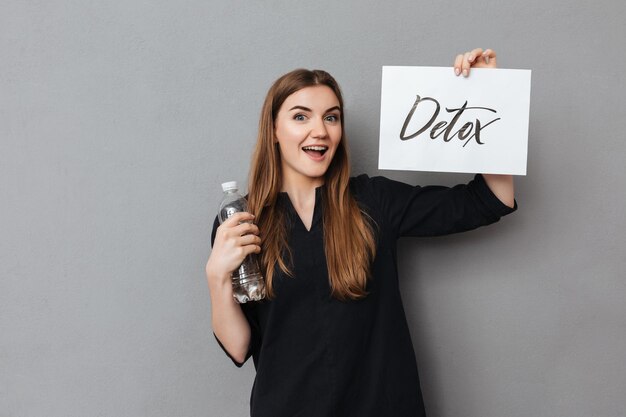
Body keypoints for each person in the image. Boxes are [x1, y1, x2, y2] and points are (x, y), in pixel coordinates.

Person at [206, 48, 517, 417]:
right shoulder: (240, 220)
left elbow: (489, 200)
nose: (319, 130)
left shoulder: (375, 200)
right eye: (300, 116)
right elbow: (240, 347)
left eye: (331, 117)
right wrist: (216, 276)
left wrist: (491, 93)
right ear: (274, 129)